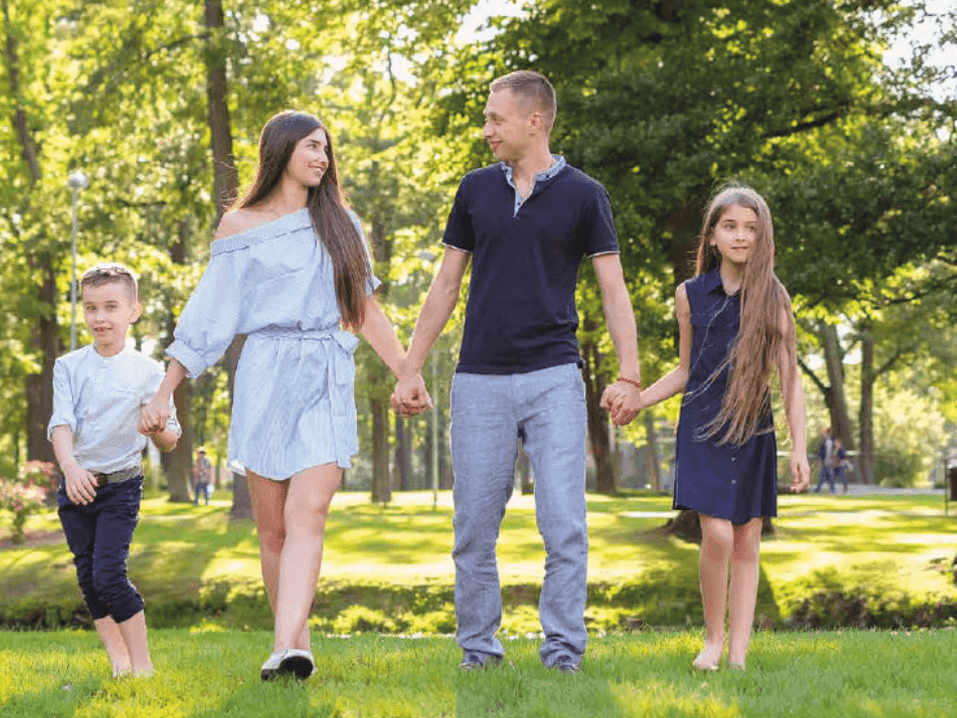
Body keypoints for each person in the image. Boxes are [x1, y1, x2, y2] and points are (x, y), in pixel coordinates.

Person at [139, 110, 423, 681]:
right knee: (272, 530)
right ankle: (298, 647)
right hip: (265, 372)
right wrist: (165, 389)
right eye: (312, 147)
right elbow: (209, 317)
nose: (322, 158)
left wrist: (405, 371)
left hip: (324, 370)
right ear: (282, 150)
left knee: (308, 512)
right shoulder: (239, 226)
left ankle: (281, 646)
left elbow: (364, 310)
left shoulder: (342, 221)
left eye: (327, 149)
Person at [391, 70, 641, 674]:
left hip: (555, 377)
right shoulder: (475, 189)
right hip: (479, 380)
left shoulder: (586, 194)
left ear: (535, 121)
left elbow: (613, 289)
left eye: (494, 120)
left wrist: (629, 374)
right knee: (474, 529)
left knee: (565, 527)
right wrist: (409, 367)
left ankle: (562, 654)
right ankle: (479, 652)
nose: (486, 132)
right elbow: (446, 283)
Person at [637, 185, 810, 671]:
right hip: (701, 428)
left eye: (751, 228)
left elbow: (791, 379)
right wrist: (638, 398)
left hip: (752, 431)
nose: (741, 236)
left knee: (746, 541)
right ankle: (712, 639)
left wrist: (799, 447)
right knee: (714, 534)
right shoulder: (689, 295)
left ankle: (736, 656)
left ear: (762, 237)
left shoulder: (774, 298)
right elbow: (686, 369)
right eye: (731, 226)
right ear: (712, 236)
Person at [48, 263, 181, 678]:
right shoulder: (68, 366)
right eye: (91, 308)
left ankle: (142, 667)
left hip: (120, 487)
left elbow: (171, 437)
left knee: (108, 573)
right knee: (88, 579)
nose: (100, 317)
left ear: (133, 311)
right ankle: (120, 664)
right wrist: (70, 468)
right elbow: (61, 424)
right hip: (77, 485)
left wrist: (157, 427)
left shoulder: (148, 370)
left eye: (110, 307)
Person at [814, 427, 835, 493]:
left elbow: (833, 452)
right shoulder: (823, 442)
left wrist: (833, 459)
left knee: (825, 475)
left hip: (829, 462)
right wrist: (819, 460)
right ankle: (831, 489)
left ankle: (818, 489)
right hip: (825, 461)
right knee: (827, 475)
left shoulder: (831, 442)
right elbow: (820, 452)